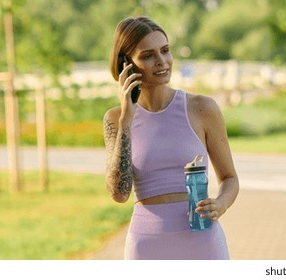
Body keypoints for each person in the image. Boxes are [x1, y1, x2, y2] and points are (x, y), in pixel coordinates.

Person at [103, 16, 239, 260]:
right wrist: (126, 121)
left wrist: (221, 204)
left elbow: (230, 179)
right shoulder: (115, 119)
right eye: (148, 55)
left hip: (202, 241)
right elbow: (119, 193)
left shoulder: (202, 108)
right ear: (127, 64)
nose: (162, 61)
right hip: (146, 246)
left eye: (165, 51)